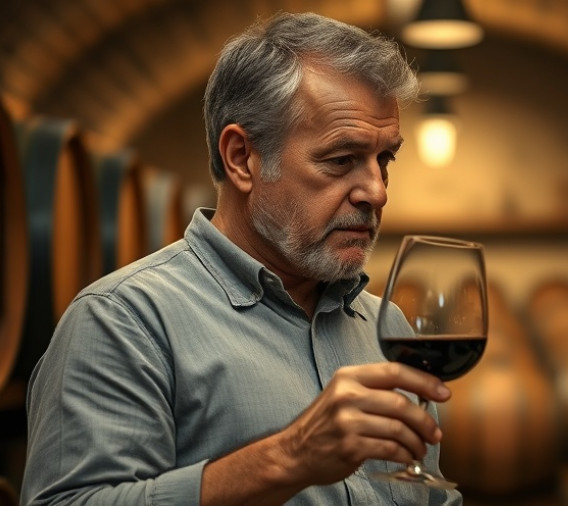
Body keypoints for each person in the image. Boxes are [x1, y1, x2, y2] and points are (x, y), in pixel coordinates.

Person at [21, 11, 463, 506]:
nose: (376, 192)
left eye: (385, 160)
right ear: (241, 158)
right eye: (341, 159)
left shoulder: (388, 327)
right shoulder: (124, 322)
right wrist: (287, 458)